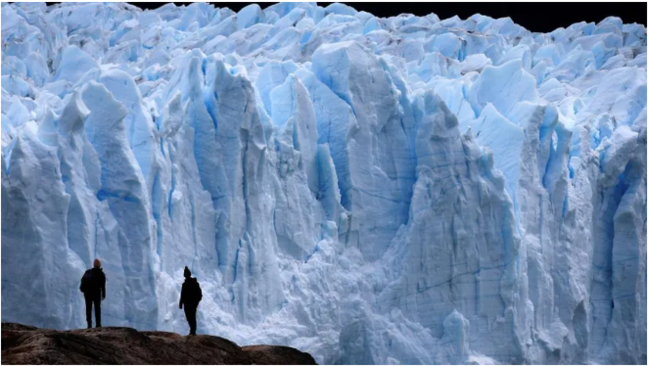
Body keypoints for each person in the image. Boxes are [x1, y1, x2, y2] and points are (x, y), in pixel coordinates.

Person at [79, 258, 106, 329]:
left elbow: (83, 280)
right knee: (97, 308)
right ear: (100, 265)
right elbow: (103, 285)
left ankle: (89, 324)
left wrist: (82, 289)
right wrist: (103, 294)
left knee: (88, 308)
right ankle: (98, 324)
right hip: (96, 293)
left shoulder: (88, 272)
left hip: (87, 293)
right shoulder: (101, 274)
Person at [179, 266, 202, 335]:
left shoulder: (194, 283)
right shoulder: (186, 284)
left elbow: (199, 294)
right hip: (188, 303)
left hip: (191, 303)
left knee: (191, 316)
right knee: (189, 316)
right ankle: (192, 330)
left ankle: (193, 331)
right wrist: (181, 303)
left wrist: (196, 301)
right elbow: (182, 295)